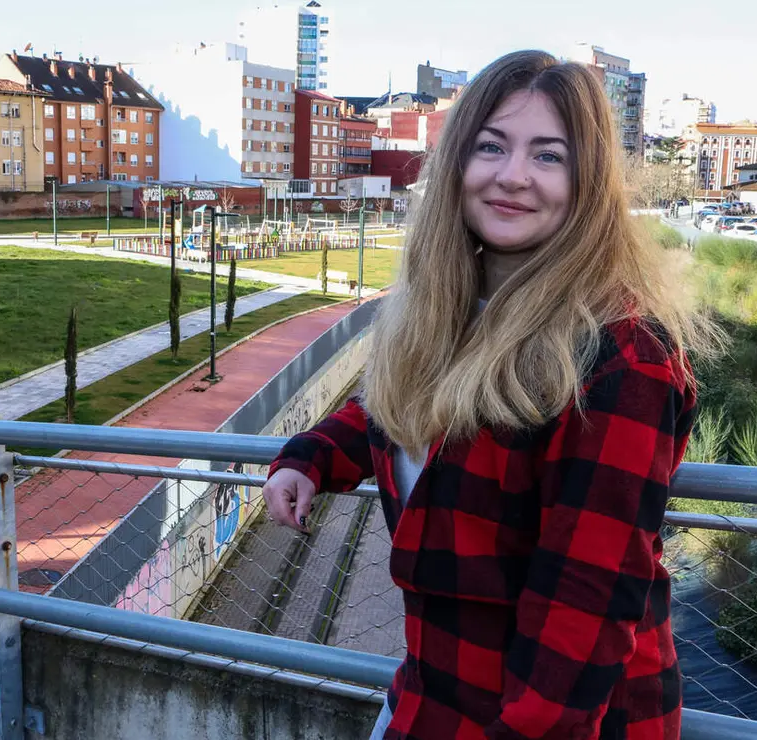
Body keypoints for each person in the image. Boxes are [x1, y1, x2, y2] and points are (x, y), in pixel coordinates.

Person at [262, 50, 715, 740]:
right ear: (456, 167)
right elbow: (403, 409)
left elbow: (584, 606)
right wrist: (312, 456)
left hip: (556, 721)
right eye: (492, 147)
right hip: (434, 690)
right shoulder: (454, 308)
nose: (512, 176)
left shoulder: (621, 355)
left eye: (549, 156)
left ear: (588, 181)